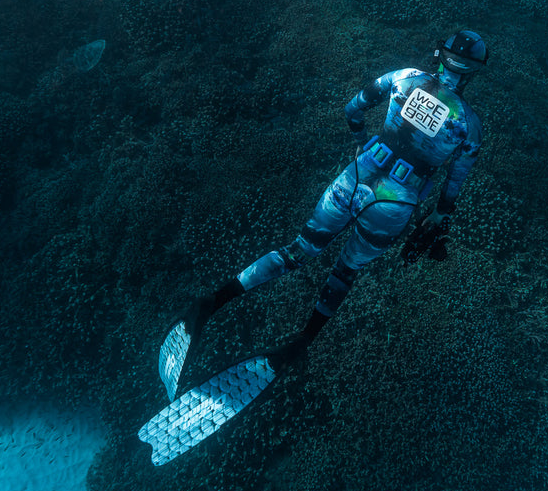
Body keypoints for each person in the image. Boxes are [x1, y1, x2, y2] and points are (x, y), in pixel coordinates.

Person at [180, 29, 488, 374]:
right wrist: (437, 218)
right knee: (346, 269)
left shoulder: (404, 77)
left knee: (297, 250)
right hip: (396, 202)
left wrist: (360, 142)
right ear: (475, 70)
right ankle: (300, 342)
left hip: (356, 175)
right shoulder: (470, 125)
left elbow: (353, 109)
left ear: (439, 55)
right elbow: (453, 185)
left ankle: (212, 302)